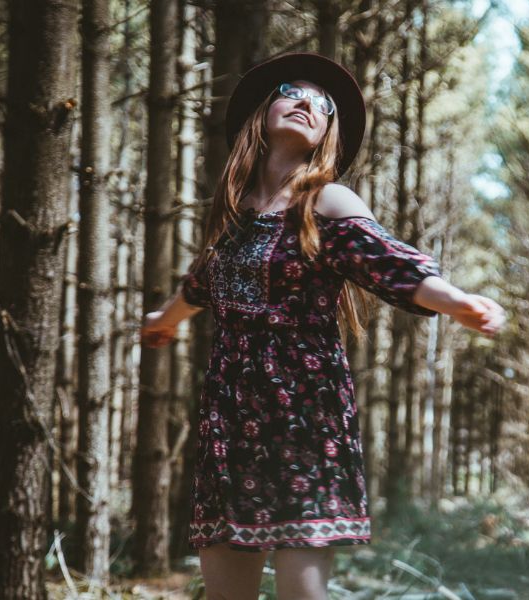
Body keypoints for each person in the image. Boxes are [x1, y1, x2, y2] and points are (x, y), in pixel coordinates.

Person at [140, 52, 506, 600]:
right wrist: (165, 320)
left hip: (304, 418)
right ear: (266, 110)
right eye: (293, 91)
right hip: (230, 420)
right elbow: (202, 282)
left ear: (327, 133)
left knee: (303, 595)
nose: (307, 104)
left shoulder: (326, 202)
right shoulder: (233, 214)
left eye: (323, 104)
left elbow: (389, 262)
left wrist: (456, 301)